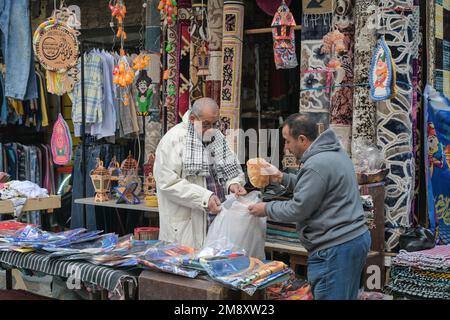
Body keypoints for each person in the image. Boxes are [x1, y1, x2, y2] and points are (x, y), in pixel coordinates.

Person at [248, 113, 371, 300]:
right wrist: (281, 177)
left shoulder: (317, 163)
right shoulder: (333, 152)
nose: (286, 148)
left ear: (302, 139)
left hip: (335, 248)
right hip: (350, 240)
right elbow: (315, 188)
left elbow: (299, 209)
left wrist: (265, 208)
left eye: (288, 141)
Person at [154, 97, 247, 249]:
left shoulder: (216, 137)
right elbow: (168, 183)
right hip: (188, 228)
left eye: (214, 124)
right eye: (206, 124)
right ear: (192, 119)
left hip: (216, 223)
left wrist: (233, 183)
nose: (211, 129)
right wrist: (205, 198)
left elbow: (231, 167)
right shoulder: (173, 140)